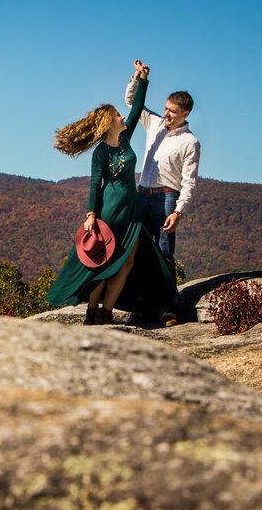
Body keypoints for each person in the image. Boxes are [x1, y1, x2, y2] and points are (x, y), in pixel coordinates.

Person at [45, 61, 178, 325]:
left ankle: (107, 313)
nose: (122, 117)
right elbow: (96, 183)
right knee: (102, 263)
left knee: (126, 264)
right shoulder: (101, 152)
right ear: (109, 122)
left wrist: (142, 78)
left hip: (132, 210)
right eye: (118, 115)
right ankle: (91, 312)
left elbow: (137, 107)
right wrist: (91, 213)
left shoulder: (125, 139)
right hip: (110, 210)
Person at [124, 69, 199, 325]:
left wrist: (179, 211)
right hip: (141, 195)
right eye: (166, 108)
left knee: (164, 254)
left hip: (167, 199)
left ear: (185, 114)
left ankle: (169, 308)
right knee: (138, 252)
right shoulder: (155, 123)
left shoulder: (190, 142)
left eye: (173, 111)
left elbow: (189, 181)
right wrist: (138, 78)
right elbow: (132, 102)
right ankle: (141, 307)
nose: (166, 114)